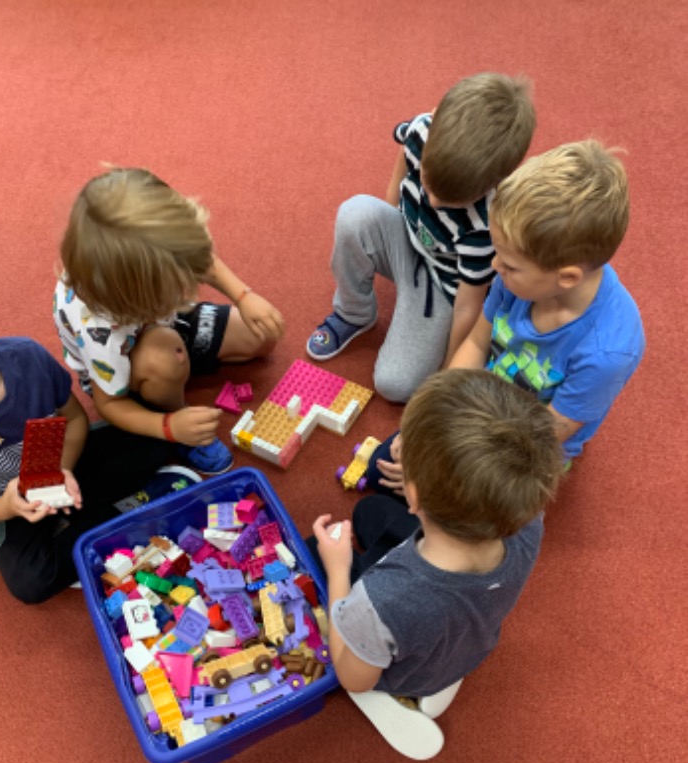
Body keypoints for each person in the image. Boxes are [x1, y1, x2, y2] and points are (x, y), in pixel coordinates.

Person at [369, 140, 646, 497]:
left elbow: (543, 438)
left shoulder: (607, 352)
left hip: (523, 447)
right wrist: (430, 420)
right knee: (382, 468)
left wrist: (445, 456)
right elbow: (476, 342)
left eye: (509, 265)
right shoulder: (517, 277)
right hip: (483, 404)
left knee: (433, 499)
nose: (494, 266)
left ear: (567, 277)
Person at [310, 369, 563, 760]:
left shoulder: (381, 600)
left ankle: (399, 688)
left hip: (406, 664)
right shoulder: (528, 522)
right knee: (370, 512)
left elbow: (353, 678)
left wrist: (339, 570)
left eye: (401, 442)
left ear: (412, 495)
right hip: (464, 635)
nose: (396, 445)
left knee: (314, 549)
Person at [0, 258, 196, 604]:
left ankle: (85, 524)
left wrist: (61, 469)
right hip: (7, 505)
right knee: (28, 581)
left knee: (153, 437)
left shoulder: (28, 358)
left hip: (63, 462)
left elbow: (74, 420)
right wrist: (5, 507)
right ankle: (121, 515)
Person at [306, 73, 536, 402]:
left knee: (394, 384)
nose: (434, 201)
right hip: (407, 237)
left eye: (451, 200)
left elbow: (466, 307)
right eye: (428, 183)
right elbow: (400, 169)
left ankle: (418, 323)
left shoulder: (486, 223)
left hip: (441, 286)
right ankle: (354, 313)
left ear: (492, 184)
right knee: (355, 213)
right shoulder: (422, 131)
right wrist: (386, 225)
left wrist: (449, 368)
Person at [54, 167, 285, 474]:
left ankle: (173, 365)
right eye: (176, 283)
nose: (188, 286)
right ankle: (171, 402)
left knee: (260, 336)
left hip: (158, 321)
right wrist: (169, 425)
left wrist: (243, 296)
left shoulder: (151, 255)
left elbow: (200, 258)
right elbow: (109, 405)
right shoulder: (99, 331)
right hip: (120, 366)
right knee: (165, 358)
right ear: (140, 293)